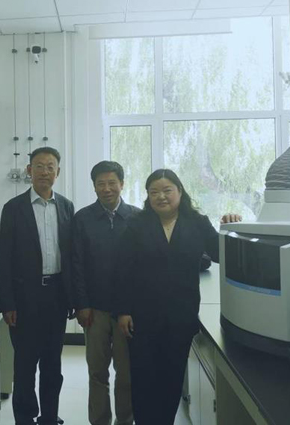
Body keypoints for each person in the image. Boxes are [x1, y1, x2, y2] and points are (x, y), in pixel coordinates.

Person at [113, 169, 241, 425]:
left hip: (181, 316)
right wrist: (123, 310)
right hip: (142, 317)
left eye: (167, 190)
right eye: (154, 192)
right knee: (143, 378)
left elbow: (219, 254)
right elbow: (123, 269)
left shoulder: (197, 222)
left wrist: (230, 229)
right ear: (148, 197)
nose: (161, 196)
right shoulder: (137, 224)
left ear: (180, 192)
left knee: (172, 377)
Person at [0, 147, 75, 425]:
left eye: (50, 166)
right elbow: (5, 259)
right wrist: (7, 303)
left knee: (53, 363)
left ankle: (50, 417)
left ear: (58, 172)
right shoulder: (13, 208)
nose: (45, 172)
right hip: (24, 299)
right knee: (25, 365)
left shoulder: (66, 207)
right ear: (29, 171)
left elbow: (71, 255)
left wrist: (73, 297)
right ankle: (24, 419)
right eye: (39, 166)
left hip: (57, 296)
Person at [72, 161, 140, 425]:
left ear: (122, 184)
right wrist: (81, 304)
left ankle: (125, 420)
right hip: (95, 310)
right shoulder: (82, 219)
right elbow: (76, 264)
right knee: (97, 372)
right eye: (101, 184)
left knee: (127, 373)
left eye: (112, 183)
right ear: (94, 187)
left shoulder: (137, 218)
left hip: (127, 312)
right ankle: (99, 420)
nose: (107, 188)